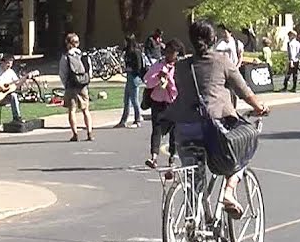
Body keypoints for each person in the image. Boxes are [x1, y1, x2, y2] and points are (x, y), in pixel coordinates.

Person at [164, 20, 270, 215]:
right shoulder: (222, 61)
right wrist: (259, 107)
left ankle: (192, 220)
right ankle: (229, 192)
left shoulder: (180, 66)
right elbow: (244, 91)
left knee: (193, 178)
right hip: (214, 128)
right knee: (242, 148)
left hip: (184, 129)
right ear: (213, 39)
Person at [144, 39, 185, 169]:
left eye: (171, 52)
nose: (168, 55)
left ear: (177, 53)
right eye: (166, 51)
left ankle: (172, 159)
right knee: (156, 129)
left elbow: (178, 90)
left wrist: (169, 79)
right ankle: (153, 158)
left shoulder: (180, 68)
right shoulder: (158, 65)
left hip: (173, 104)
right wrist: (157, 77)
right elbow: (147, 81)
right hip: (158, 102)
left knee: (174, 132)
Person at [58, 32, 93, 141]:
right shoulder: (84, 55)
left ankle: (75, 134)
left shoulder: (65, 57)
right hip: (83, 85)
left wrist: (66, 84)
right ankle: (89, 132)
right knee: (85, 109)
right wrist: (86, 81)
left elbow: (62, 73)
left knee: (72, 110)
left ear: (68, 43)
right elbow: (89, 70)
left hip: (71, 85)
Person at [116, 35, 147, 128]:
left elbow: (139, 67)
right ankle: (123, 121)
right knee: (126, 100)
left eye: (125, 41)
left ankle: (137, 120)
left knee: (134, 100)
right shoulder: (127, 52)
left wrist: (129, 69)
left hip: (134, 78)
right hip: (129, 77)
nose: (124, 43)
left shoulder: (136, 52)